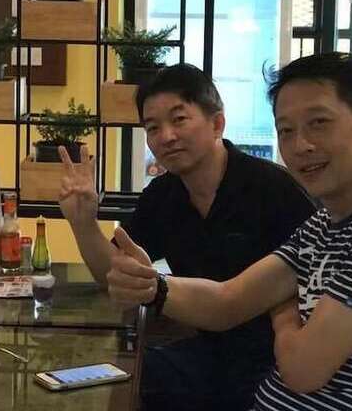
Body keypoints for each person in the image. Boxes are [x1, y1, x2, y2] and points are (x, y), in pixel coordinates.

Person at [107, 52, 352, 410]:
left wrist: (283, 306)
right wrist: (153, 286)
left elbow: (303, 369)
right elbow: (227, 301)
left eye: (319, 123)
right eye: (286, 130)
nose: (301, 145)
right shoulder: (323, 225)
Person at [58, 63, 315, 410]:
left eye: (179, 119)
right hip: (208, 352)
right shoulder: (162, 196)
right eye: (153, 127)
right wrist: (83, 223)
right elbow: (115, 277)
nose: (166, 136)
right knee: (116, 379)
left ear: (217, 123)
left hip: (276, 362)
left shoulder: (273, 189)